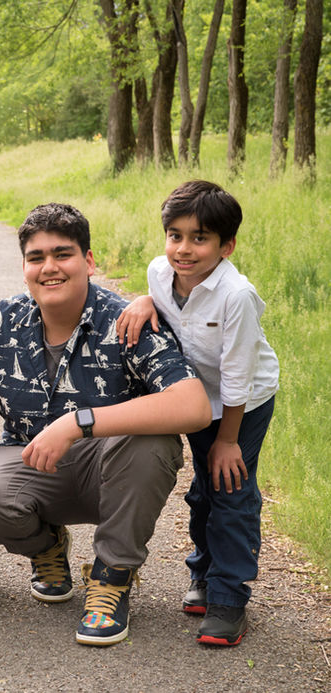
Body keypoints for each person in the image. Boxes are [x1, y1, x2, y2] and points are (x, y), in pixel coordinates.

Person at [0, 202, 212, 647]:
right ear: (25, 268)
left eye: (62, 254)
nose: (49, 268)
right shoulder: (1, 323)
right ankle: (46, 547)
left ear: (88, 262)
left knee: (154, 444)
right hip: (34, 466)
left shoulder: (126, 320)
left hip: (112, 470)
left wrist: (78, 422)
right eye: (36, 258)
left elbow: (194, 405)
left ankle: (112, 577)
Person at [115, 180, 278, 646]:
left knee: (230, 490)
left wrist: (228, 441)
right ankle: (204, 574)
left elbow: (238, 376)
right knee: (203, 492)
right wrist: (147, 299)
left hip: (241, 405)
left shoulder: (236, 295)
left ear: (226, 246)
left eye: (199, 238)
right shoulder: (157, 272)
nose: (183, 249)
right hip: (194, 401)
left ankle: (229, 597)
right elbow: (168, 316)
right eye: (175, 235)